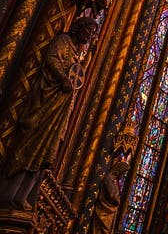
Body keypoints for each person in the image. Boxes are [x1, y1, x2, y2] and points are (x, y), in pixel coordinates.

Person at [0, 15, 96, 210]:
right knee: (32, 142)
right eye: (88, 30)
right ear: (79, 27)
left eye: (92, 33)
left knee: (45, 153)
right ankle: (9, 192)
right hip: (46, 101)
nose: (89, 35)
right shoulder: (63, 41)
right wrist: (63, 79)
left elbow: (76, 74)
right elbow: (52, 59)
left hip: (58, 109)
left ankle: (23, 195)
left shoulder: (76, 52)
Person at [77, 156, 129, 234]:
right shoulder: (109, 179)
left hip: (109, 214)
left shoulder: (114, 181)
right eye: (123, 172)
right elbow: (113, 196)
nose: (123, 175)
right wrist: (118, 199)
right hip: (103, 214)